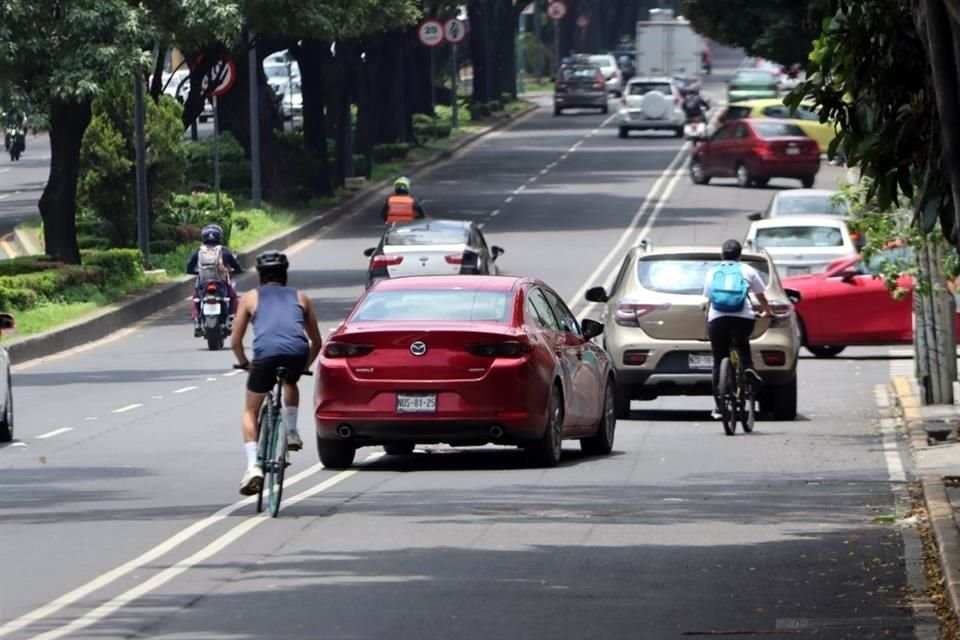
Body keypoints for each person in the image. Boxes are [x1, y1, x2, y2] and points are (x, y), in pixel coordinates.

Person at [230, 251, 323, 496]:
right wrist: (304, 366)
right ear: (285, 275)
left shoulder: (250, 297)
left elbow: (235, 341)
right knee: (290, 379)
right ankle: (291, 430)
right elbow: (316, 341)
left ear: (260, 276)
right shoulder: (301, 297)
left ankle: (253, 467)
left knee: (250, 410)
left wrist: (244, 363)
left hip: (265, 355)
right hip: (296, 352)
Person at [703, 239, 773, 420]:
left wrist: (708, 319)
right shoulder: (747, 270)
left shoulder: (713, 272)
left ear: (721, 255)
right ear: (739, 255)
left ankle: (719, 406)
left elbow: (708, 298)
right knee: (742, 344)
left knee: (719, 359)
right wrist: (766, 310)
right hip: (743, 318)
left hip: (718, 319)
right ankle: (748, 368)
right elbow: (760, 295)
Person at [185, 224, 243, 336]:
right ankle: (231, 317)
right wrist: (238, 270)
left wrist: (192, 271)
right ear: (219, 237)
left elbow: (189, 266)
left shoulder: (199, 251)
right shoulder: (224, 251)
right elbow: (236, 266)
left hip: (203, 284)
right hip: (221, 283)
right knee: (233, 297)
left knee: (196, 298)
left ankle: (197, 320)